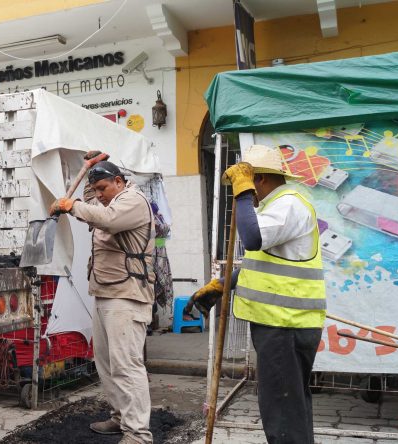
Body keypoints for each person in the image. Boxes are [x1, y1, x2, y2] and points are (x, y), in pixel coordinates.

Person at [186, 144, 326, 444]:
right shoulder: (279, 207)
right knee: (289, 409)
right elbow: (262, 262)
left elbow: (252, 239)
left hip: (285, 325)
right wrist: (223, 284)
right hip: (281, 325)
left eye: (249, 184)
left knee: (284, 415)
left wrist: (242, 193)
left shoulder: (288, 205)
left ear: (258, 179)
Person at [50, 154, 155, 444]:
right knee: (107, 364)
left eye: (103, 188)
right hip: (105, 291)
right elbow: (92, 202)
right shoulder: (106, 199)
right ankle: (121, 418)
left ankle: (138, 434)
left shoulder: (132, 201)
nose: (98, 195)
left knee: (126, 365)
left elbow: (104, 218)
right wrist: (87, 172)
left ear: (119, 182)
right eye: (95, 190)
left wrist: (71, 206)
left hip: (127, 295)